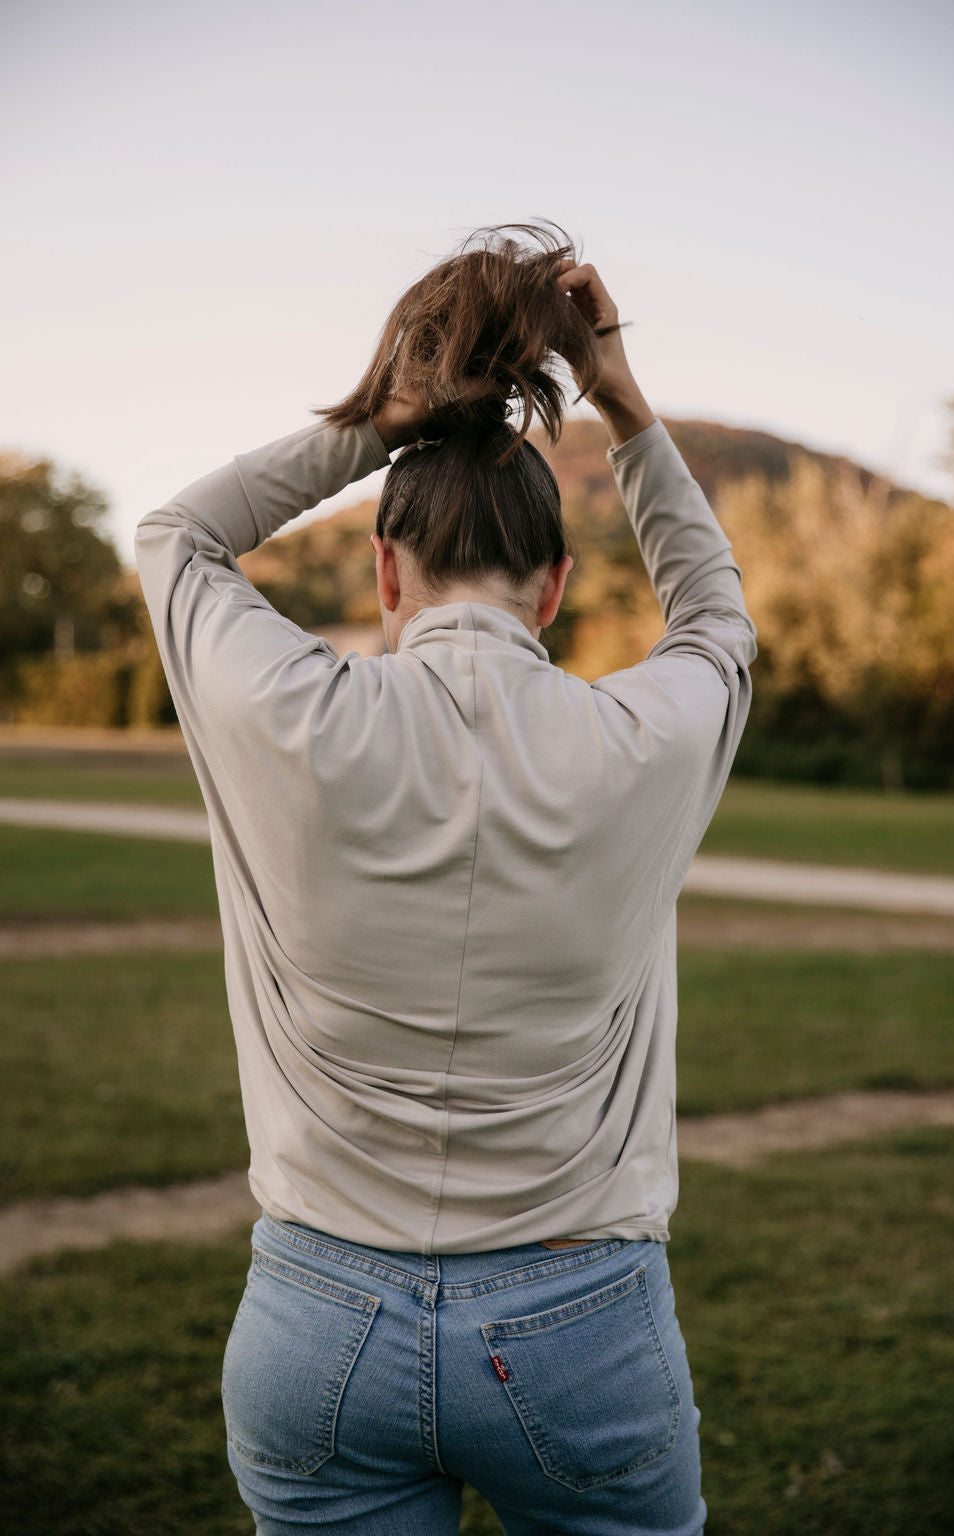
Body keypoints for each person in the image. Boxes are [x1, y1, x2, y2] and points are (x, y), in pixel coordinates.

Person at [135, 221, 756, 1536]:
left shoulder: (296, 715)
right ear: (556, 590)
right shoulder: (640, 739)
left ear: (383, 571)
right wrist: (623, 403)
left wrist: (391, 416)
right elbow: (718, 624)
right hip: (581, 1326)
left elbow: (178, 537)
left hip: (315, 1325)